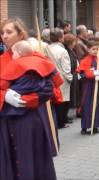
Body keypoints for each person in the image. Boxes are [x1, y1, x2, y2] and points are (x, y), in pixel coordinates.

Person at [0, 18, 62, 180]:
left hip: (31, 120)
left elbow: (49, 89)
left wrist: (28, 100)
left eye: (9, 32)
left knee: (32, 163)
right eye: (2, 33)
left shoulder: (37, 57)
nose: (4, 36)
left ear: (21, 35)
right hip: (5, 122)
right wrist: (4, 96)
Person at [77, 38, 99, 134]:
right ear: (88, 50)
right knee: (87, 106)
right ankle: (85, 127)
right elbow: (81, 74)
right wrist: (92, 75)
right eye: (93, 49)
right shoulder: (84, 60)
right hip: (88, 87)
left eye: (97, 49)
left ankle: (95, 126)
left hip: (98, 86)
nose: (95, 51)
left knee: (97, 105)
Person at [47, 28, 73, 128]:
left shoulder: (46, 48)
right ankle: (61, 122)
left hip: (51, 76)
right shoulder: (62, 51)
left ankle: (56, 120)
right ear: (60, 37)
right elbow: (66, 67)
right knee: (62, 100)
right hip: (61, 78)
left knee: (55, 100)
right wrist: (70, 78)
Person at [63, 34, 80, 119]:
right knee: (71, 95)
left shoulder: (71, 50)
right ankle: (66, 115)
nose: (75, 43)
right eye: (74, 41)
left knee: (74, 94)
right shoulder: (67, 51)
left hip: (75, 73)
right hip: (72, 74)